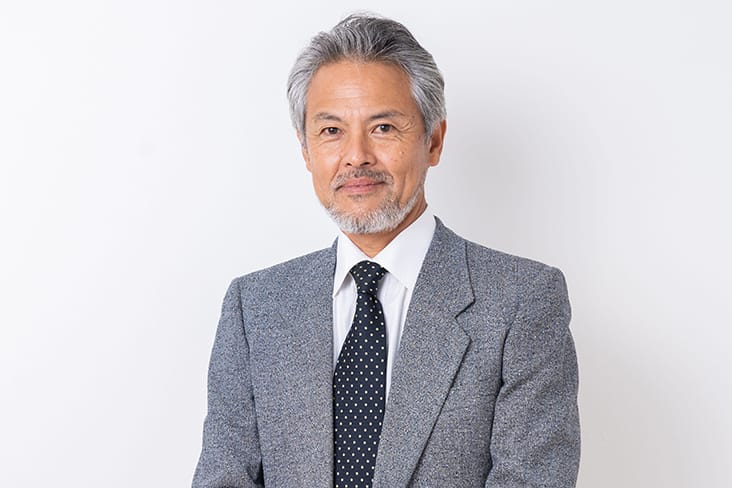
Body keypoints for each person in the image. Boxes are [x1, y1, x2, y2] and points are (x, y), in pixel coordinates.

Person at [192, 13, 580, 488]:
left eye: (383, 127)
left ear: (433, 140)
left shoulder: (521, 301)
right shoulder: (255, 308)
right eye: (331, 131)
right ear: (306, 150)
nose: (356, 156)